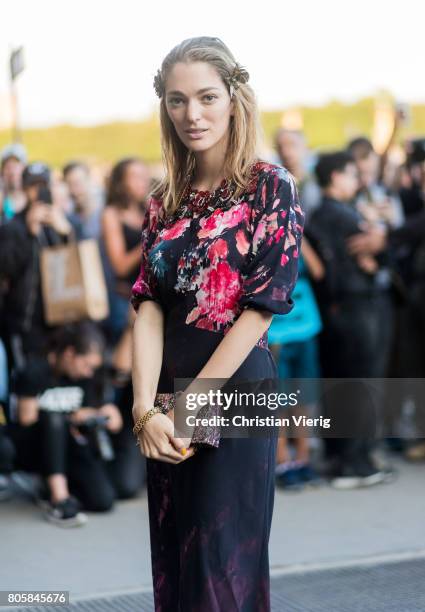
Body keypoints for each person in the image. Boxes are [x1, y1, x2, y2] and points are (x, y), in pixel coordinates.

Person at [131, 37, 303, 611]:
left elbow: (260, 308)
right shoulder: (163, 201)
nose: (191, 114)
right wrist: (144, 412)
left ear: (234, 97)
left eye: (206, 96)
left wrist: (190, 407)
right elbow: (148, 304)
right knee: (176, 565)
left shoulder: (269, 186)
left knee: (220, 566)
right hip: (165, 400)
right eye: (176, 101)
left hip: (235, 389)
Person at [307, 151, 393, 489]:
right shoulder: (342, 215)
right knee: (363, 381)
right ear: (336, 177)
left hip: (335, 310)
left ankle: (340, 456)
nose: (357, 180)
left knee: (342, 382)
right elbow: (380, 254)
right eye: (352, 174)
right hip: (360, 307)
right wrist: (378, 253)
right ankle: (355, 462)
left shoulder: (318, 215)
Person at [7, 322, 139, 527]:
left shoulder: (88, 377)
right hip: (36, 445)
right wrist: (70, 417)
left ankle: (48, 487)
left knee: (103, 500)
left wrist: (105, 414)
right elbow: (27, 420)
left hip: (72, 446)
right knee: (54, 420)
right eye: (85, 365)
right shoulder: (36, 370)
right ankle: (59, 499)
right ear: (70, 354)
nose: (88, 372)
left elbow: (103, 415)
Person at [0, 162, 73, 364]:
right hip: (26, 320)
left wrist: (66, 233)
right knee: (29, 377)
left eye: (44, 185)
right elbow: (7, 270)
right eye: (34, 186)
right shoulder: (11, 226)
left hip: (61, 315)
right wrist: (29, 234)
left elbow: (80, 263)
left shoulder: (61, 222)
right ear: (24, 188)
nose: (39, 191)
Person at [102, 158, 149, 343]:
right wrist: (150, 239)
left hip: (149, 297)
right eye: (136, 177)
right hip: (124, 300)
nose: (142, 182)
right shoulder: (111, 214)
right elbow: (120, 266)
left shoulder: (147, 209)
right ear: (121, 182)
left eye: (144, 176)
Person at [275, 128, 321, 220]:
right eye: (280, 147)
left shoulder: (319, 179)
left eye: (292, 145)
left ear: (305, 147)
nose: (285, 151)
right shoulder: (273, 184)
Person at [63, 161, 104, 240]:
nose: (75, 190)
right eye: (70, 184)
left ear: (89, 179)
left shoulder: (103, 204)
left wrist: (68, 230)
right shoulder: (68, 208)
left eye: (78, 182)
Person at [0, 143, 27, 223]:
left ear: (24, 168)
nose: (11, 172)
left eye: (15, 166)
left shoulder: (31, 198)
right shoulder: (2, 200)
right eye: (7, 167)